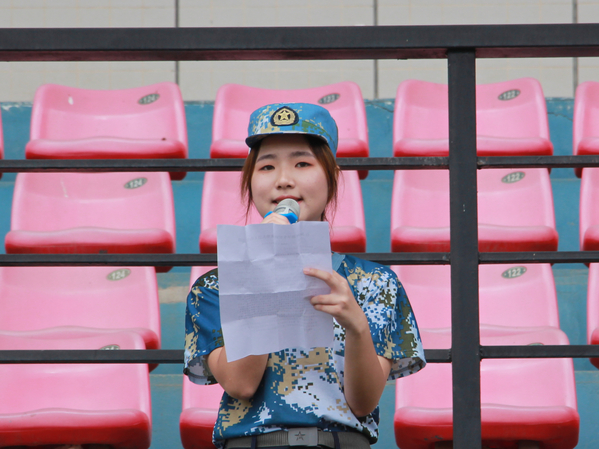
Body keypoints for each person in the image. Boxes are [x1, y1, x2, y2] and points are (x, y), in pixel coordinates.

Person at [184, 103, 426, 449]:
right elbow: (241, 384)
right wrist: (260, 273)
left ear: (332, 177)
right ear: (249, 181)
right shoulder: (213, 288)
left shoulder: (376, 282)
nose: (284, 179)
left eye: (302, 164)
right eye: (267, 166)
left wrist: (356, 325)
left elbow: (363, 402)